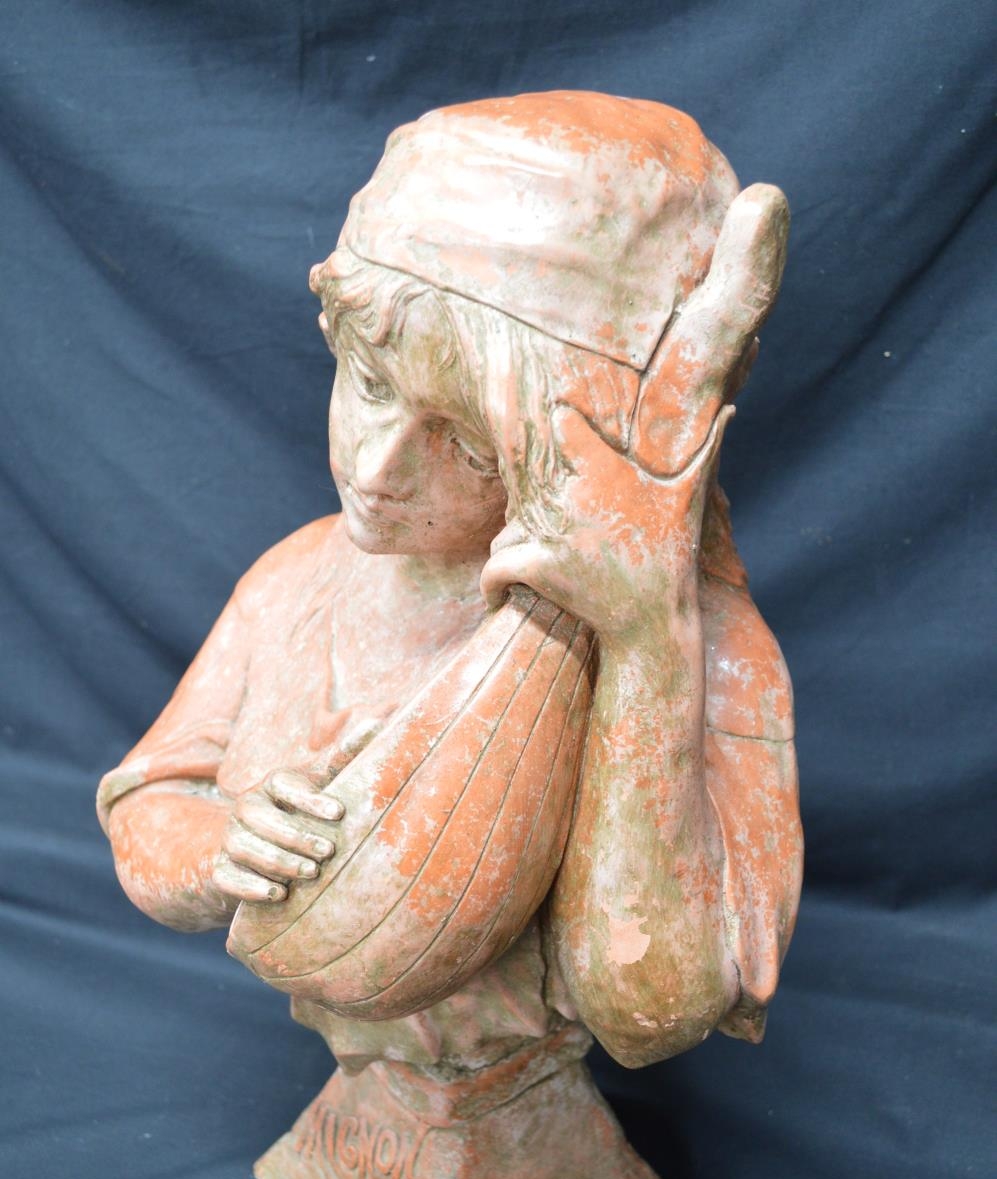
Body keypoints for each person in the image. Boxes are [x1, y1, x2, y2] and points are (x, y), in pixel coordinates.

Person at [98, 91, 802, 1078]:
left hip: (530, 1119)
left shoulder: (708, 651)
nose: (377, 465)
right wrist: (218, 852)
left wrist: (649, 645)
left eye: (467, 444)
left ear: (581, 454)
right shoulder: (298, 578)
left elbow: (650, 1012)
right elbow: (150, 800)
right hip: (359, 1100)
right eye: (371, 385)